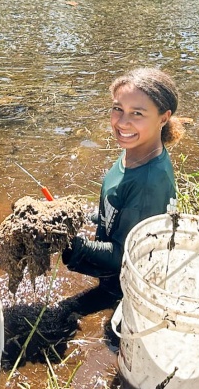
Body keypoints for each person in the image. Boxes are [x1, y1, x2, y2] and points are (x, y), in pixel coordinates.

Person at [62, 68, 185, 282]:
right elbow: (115, 212)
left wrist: (68, 244)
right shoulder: (137, 150)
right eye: (118, 108)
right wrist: (74, 217)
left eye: (137, 113)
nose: (122, 122)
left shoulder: (149, 183)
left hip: (122, 286)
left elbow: (125, 256)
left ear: (163, 118)